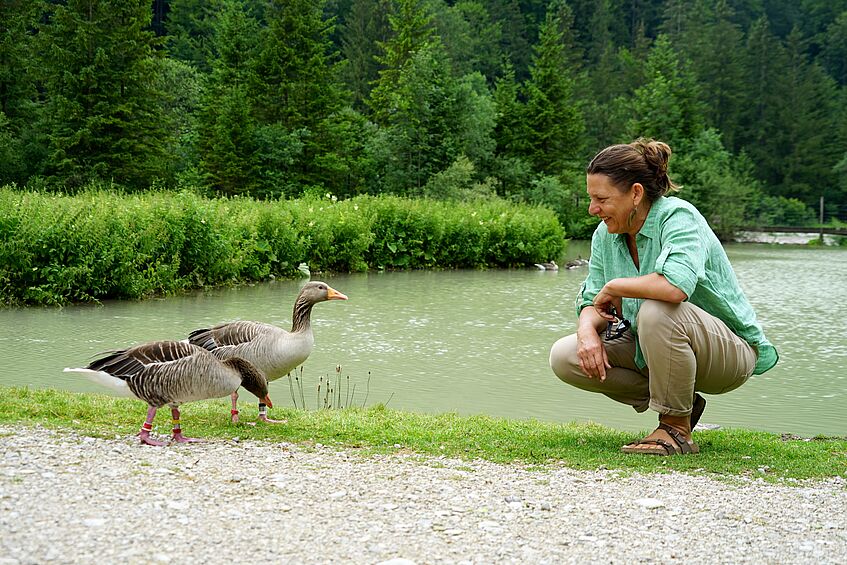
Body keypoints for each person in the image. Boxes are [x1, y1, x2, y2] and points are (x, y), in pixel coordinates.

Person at [548, 138, 778, 455]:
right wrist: (587, 330)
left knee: (658, 310)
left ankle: (676, 430)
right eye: (591, 199)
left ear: (636, 194)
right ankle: (682, 402)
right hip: (656, 344)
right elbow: (593, 301)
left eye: (601, 198)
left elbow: (675, 287)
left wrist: (616, 286)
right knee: (566, 356)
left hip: (728, 354)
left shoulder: (678, 217)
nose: (592, 209)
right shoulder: (605, 234)